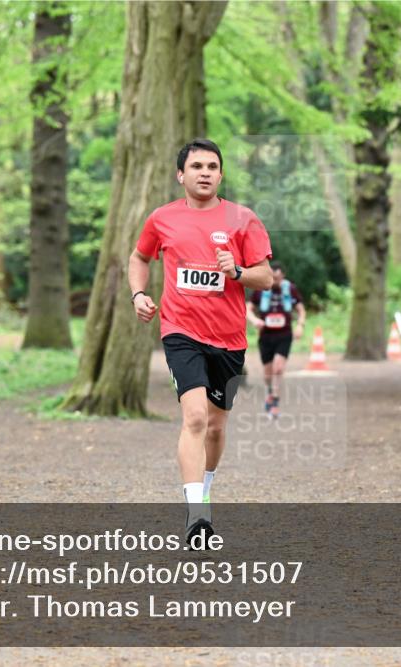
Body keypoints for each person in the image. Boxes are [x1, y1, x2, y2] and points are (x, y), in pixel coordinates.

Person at [128, 138, 273, 548]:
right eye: (196, 166)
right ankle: (196, 514)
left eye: (212, 166)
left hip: (229, 338)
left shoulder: (243, 219)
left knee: (215, 425)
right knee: (194, 418)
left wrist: (238, 271)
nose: (205, 172)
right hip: (180, 331)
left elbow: (266, 277)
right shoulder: (162, 219)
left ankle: (205, 487)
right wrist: (139, 295)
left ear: (221, 174)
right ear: (181, 175)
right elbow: (139, 258)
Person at [246, 262, 306, 418]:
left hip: (284, 335)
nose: (275, 282)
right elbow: (248, 308)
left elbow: (300, 310)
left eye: (278, 279)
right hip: (265, 337)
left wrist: (300, 325)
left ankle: (275, 400)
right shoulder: (260, 289)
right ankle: (270, 393)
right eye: (273, 278)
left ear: (283, 276)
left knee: (278, 369)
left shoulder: (290, 289)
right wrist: (254, 320)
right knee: (267, 374)